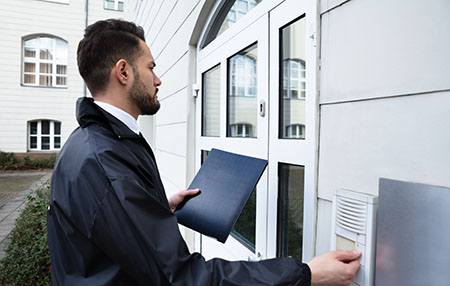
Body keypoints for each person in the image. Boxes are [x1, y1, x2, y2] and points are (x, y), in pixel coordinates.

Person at [47, 19, 361, 285]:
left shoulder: (95, 140)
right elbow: (183, 278)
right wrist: (306, 274)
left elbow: (108, 224)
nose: (158, 80)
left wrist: (157, 207)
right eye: (151, 68)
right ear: (124, 72)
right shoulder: (104, 159)